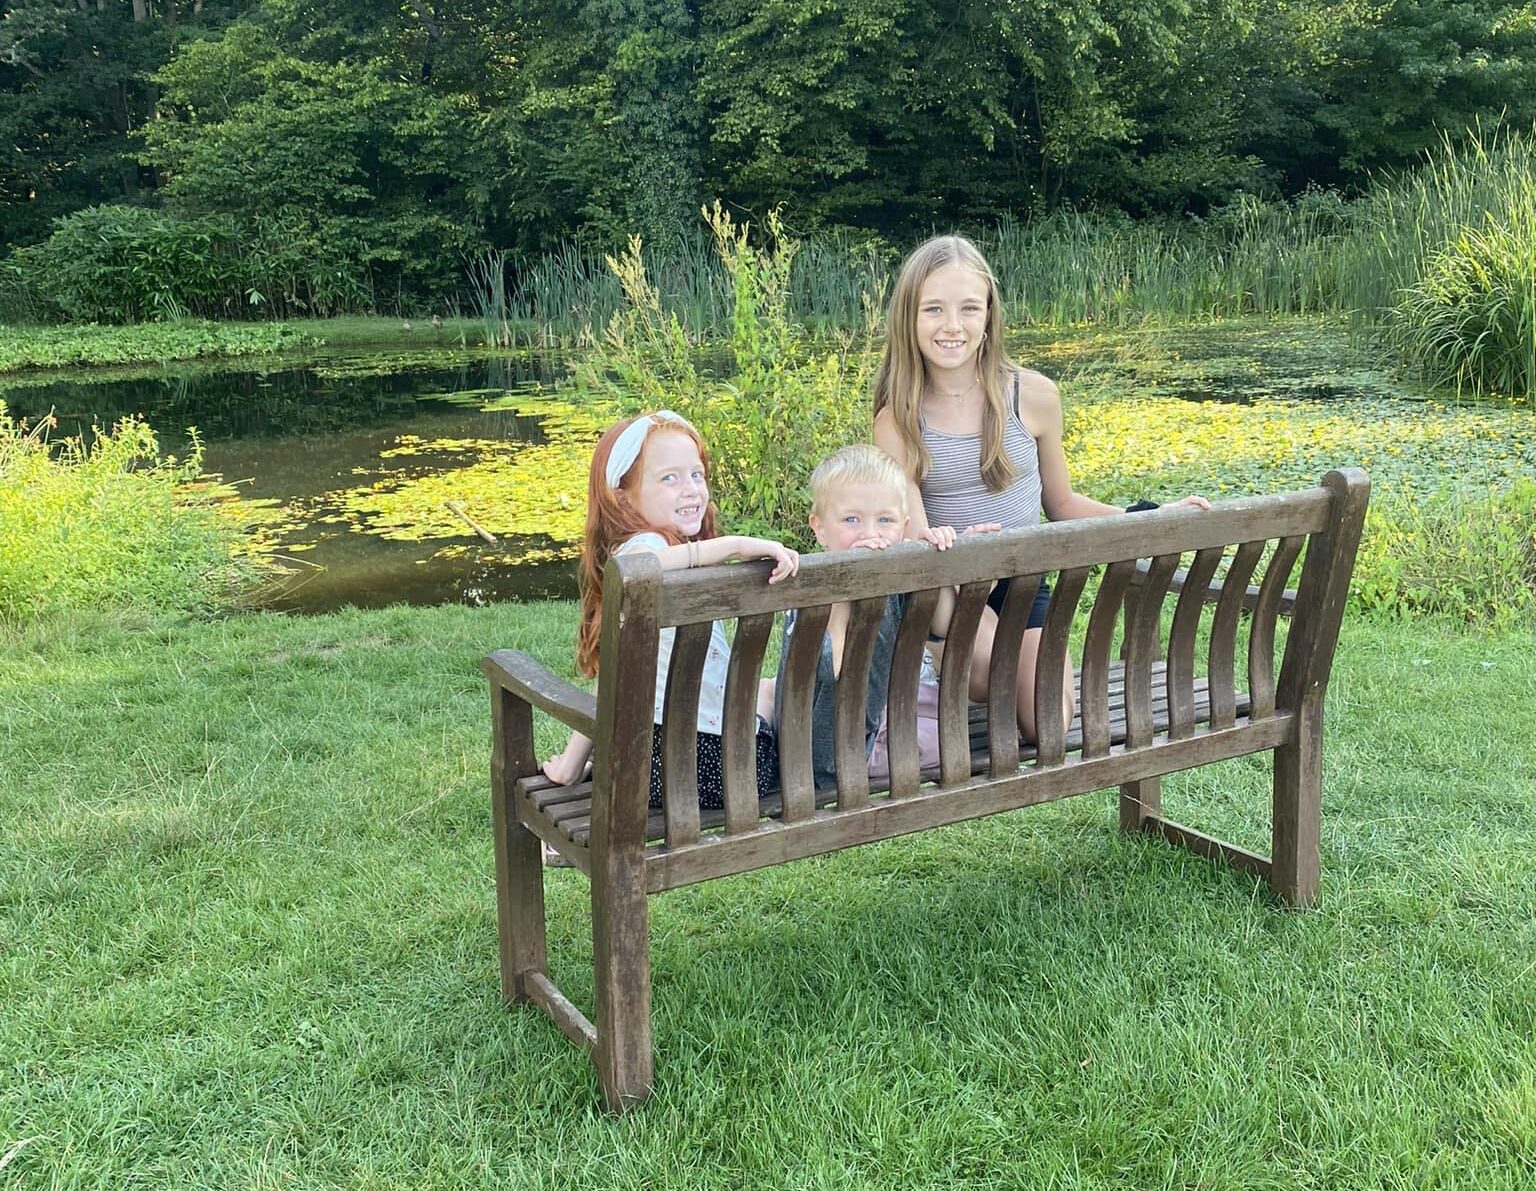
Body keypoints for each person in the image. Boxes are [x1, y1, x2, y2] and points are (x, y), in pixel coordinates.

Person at [872, 235, 1210, 741]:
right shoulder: (896, 421)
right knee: (989, 676)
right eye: (934, 309)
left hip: (1023, 582)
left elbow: (1062, 503)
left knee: (1046, 722)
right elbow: (916, 533)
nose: (952, 326)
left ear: (989, 314)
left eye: (969, 308)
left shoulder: (1032, 396)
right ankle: (932, 661)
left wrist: (1147, 517)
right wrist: (963, 553)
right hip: (950, 589)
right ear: (909, 318)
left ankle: (1036, 655)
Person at [540, 410, 799, 811]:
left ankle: (580, 762)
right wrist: (733, 545)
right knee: (773, 692)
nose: (692, 489)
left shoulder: (651, 558)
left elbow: (614, 677)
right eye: (669, 478)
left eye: (696, 475)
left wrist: (571, 763)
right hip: (731, 771)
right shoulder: (646, 550)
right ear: (622, 495)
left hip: (655, 769)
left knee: (765, 689)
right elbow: (640, 563)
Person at [764, 444, 986, 789]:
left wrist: (933, 564)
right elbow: (832, 670)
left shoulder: (895, 579)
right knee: (944, 739)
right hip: (832, 759)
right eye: (852, 519)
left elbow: (944, 624)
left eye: (885, 520)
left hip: (865, 723)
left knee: (938, 715)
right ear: (819, 528)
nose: (870, 533)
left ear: (904, 526)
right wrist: (845, 592)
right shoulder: (809, 593)